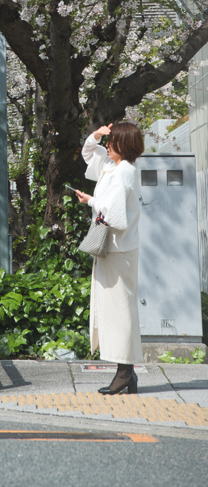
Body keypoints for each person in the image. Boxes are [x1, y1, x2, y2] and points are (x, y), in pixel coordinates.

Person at [75, 121, 145, 395]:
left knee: (121, 310)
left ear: (123, 145)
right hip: (114, 248)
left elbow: (115, 215)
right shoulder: (113, 167)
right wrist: (96, 134)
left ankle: (125, 373)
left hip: (119, 249)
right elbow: (88, 154)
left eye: (111, 141)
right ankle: (126, 372)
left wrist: (90, 201)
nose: (107, 145)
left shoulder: (124, 172)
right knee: (115, 309)